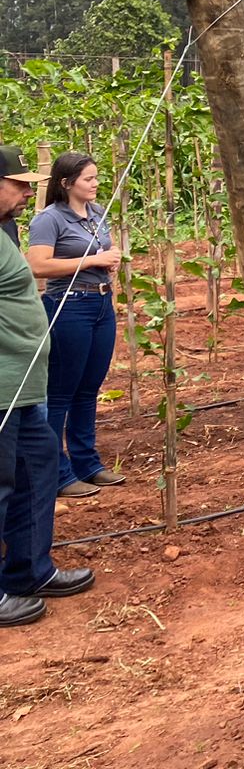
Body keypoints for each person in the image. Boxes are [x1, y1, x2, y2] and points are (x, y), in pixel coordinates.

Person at [0, 145, 95, 625]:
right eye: (16, 183)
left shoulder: (5, 229)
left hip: (25, 385)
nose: (25, 190)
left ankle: (28, 571)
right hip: (1, 388)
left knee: (36, 473)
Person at [25, 153, 123, 499]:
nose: (95, 184)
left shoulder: (97, 214)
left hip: (100, 304)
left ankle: (88, 464)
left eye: (97, 178)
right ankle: (58, 474)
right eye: (88, 179)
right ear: (66, 183)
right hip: (69, 306)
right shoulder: (49, 219)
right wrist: (93, 260)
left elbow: (103, 250)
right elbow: (37, 266)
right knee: (61, 392)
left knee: (88, 388)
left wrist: (111, 261)